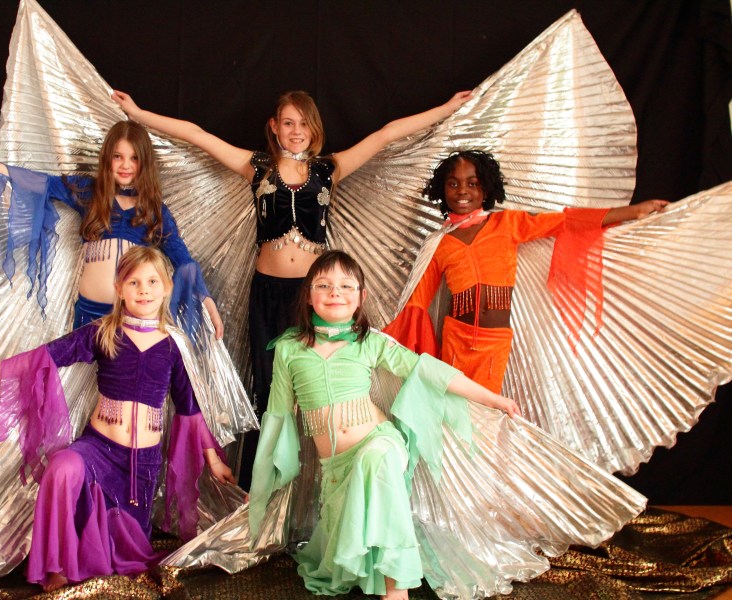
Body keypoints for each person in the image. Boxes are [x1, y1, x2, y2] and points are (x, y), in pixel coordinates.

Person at [111, 88, 473, 487]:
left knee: (318, 387)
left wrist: (446, 108)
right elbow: (198, 135)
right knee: (269, 388)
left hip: (313, 298)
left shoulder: (329, 169)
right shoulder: (257, 167)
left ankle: (317, 484)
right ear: (274, 126)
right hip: (267, 293)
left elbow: (386, 134)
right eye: (288, 122)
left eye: (303, 123)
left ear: (314, 128)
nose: (296, 131)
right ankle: (263, 486)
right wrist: (139, 113)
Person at [0, 246, 235, 592]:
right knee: (63, 468)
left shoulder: (174, 345)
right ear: (119, 288)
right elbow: (44, 357)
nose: (143, 290)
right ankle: (56, 566)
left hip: (140, 466)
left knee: (123, 556)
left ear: (167, 288)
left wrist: (213, 460)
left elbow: (189, 409)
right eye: (134, 282)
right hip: (98, 449)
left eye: (152, 282)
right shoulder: (103, 332)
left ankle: (88, 556)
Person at [248, 250, 519, 599]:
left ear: (361, 297)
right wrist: (264, 481)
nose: (335, 292)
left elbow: (427, 371)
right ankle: (384, 576)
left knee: (375, 459)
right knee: (342, 563)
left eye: (346, 286)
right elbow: (278, 415)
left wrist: (494, 400)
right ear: (309, 296)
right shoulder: (288, 349)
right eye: (324, 285)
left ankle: (396, 590)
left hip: (379, 442)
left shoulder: (370, 342)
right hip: (335, 470)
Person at [384, 149, 669, 392]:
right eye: (453, 184)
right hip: (455, 339)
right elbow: (417, 304)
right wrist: (381, 343)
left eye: (473, 183)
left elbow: (565, 222)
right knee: (451, 412)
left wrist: (632, 211)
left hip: (494, 342)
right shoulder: (439, 242)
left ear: (486, 189)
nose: (462, 191)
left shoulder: (507, 223)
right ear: (442, 189)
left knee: (484, 415)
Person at [0, 119, 223, 336]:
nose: (125, 165)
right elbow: (39, 182)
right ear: (107, 159)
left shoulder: (155, 210)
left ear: (145, 163)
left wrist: (207, 301)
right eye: (118, 156)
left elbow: (183, 259)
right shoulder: (89, 192)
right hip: (88, 314)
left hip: (133, 318)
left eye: (134, 158)